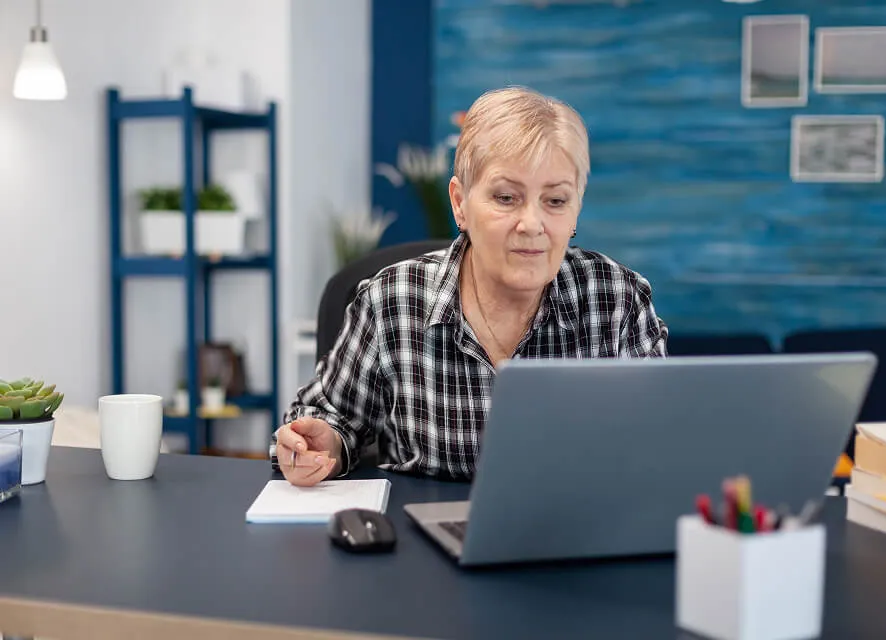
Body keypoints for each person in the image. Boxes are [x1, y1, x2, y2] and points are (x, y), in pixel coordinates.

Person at [275, 86, 668, 486]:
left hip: (576, 536)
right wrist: (323, 444)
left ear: (576, 208)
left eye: (555, 201)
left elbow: (662, 443)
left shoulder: (619, 300)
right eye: (506, 197)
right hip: (420, 537)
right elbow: (328, 417)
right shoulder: (392, 300)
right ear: (460, 203)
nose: (532, 224)